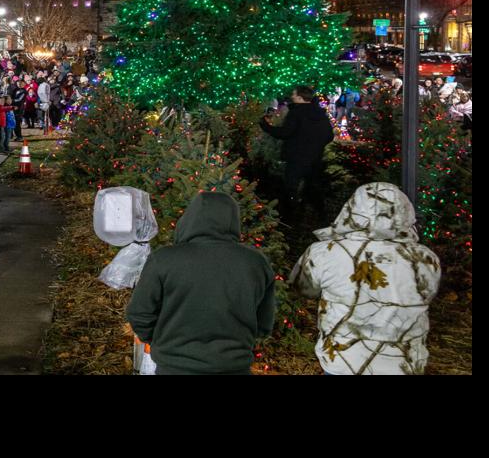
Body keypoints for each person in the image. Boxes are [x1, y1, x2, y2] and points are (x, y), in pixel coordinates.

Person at [288, 183, 442, 375]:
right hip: (404, 363)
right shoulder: (426, 259)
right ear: (405, 212)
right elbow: (425, 295)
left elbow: (303, 288)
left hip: (344, 362)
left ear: (352, 210)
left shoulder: (325, 252)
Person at [126, 192, 277, 376]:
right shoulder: (256, 263)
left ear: (190, 218)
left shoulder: (164, 259)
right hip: (234, 367)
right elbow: (264, 325)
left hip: (174, 367)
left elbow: (139, 314)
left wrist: (163, 343)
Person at [258, 85, 336, 217]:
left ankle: (291, 215)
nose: (291, 96)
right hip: (315, 156)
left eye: (294, 94)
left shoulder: (296, 113)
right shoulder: (320, 113)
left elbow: (285, 133)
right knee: (313, 185)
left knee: (291, 186)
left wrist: (266, 126)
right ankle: (320, 213)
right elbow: (329, 136)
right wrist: (316, 146)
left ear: (300, 98)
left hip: (296, 156)